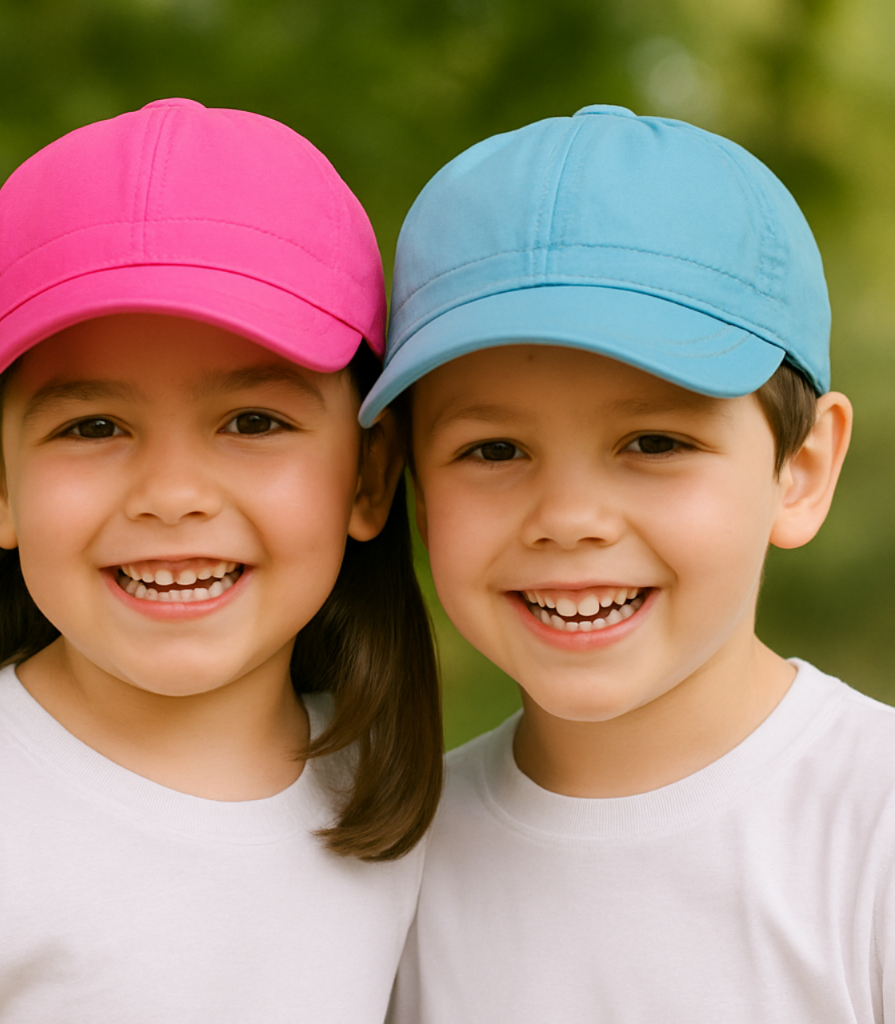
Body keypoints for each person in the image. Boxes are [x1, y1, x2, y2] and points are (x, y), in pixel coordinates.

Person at [0, 98, 443, 1023]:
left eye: (254, 423)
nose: (172, 493)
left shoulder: (406, 802)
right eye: (93, 427)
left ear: (370, 475)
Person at [359, 105, 894, 1022]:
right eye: (493, 450)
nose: (568, 520)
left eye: (652, 442)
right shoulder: (383, 866)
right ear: (411, 485)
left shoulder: (872, 829)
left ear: (800, 471)